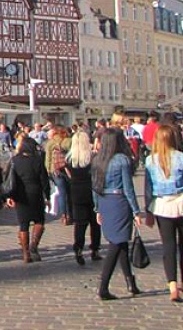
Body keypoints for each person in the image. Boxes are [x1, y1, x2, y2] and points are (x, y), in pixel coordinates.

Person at [92, 128, 142, 300]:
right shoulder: (122, 160)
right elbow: (128, 188)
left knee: (120, 243)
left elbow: (95, 187)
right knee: (117, 243)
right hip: (119, 200)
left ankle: (131, 283)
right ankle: (103, 285)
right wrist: (136, 210)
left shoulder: (98, 160)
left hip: (105, 200)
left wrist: (97, 208)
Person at [143, 124, 183, 301]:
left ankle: (172, 284)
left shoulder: (150, 160)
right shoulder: (181, 157)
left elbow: (147, 188)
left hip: (161, 204)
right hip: (180, 200)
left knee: (168, 245)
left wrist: (148, 211)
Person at [6, 135, 50, 263]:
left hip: (20, 194)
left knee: (23, 224)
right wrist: (47, 196)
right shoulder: (37, 160)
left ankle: (26, 253)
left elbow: (9, 179)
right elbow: (44, 180)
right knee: (39, 221)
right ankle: (34, 246)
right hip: (35, 193)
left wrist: (9, 196)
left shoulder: (14, 160)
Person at [66, 130, 102, 265]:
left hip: (76, 191)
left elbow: (68, 175)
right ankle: (95, 249)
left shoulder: (69, 159)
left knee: (80, 223)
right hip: (91, 190)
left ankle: (79, 248)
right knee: (95, 223)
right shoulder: (92, 157)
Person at [45, 125, 72, 225]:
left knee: (61, 192)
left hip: (55, 170)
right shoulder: (68, 141)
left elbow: (47, 159)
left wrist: (48, 170)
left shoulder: (50, 143)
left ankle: (63, 216)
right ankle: (70, 215)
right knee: (69, 192)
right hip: (68, 169)